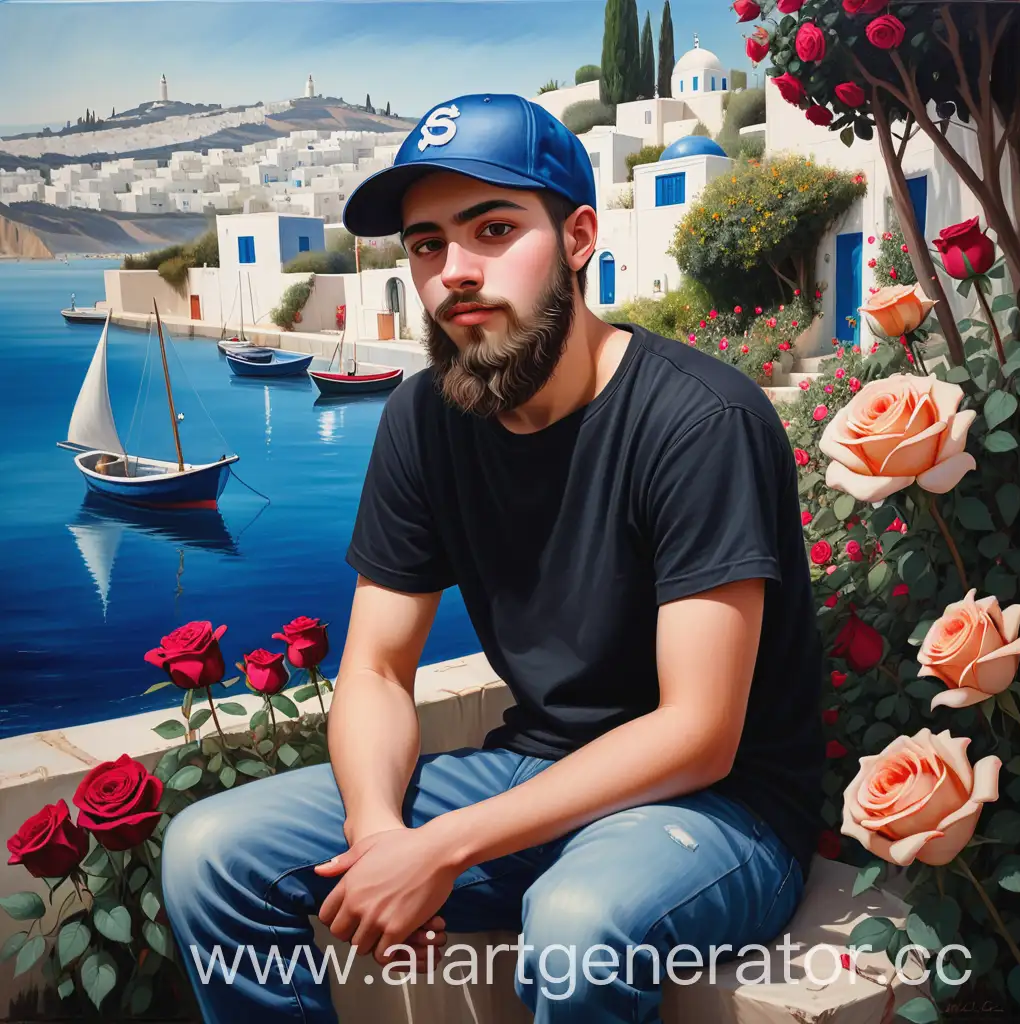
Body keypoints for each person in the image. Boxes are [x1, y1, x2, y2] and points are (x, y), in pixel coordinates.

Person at [162, 93, 824, 1023]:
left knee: (579, 925)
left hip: (723, 810)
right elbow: (379, 670)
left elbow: (699, 732)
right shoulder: (423, 420)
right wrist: (382, 837)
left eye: (495, 228)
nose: (455, 272)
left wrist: (444, 850)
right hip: (538, 770)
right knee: (210, 850)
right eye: (427, 244)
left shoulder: (699, 421)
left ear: (580, 235)